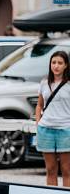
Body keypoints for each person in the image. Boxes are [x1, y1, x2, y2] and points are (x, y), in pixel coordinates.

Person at [35, 50, 70, 187]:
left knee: (67, 170)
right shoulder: (44, 83)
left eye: (60, 63)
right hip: (46, 130)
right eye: (53, 62)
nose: (56, 66)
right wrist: (38, 123)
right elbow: (39, 105)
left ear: (66, 65)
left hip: (65, 130)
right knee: (50, 170)